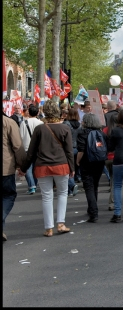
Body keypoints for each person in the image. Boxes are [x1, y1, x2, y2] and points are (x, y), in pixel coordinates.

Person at [26, 101, 74, 237]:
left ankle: (48, 228)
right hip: (61, 165)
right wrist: (72, 168)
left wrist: (23, 168)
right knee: (62, 193)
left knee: (46, 196)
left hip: (42, 166)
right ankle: (61, 223)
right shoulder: (65, 128)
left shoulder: (40, 129)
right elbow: (69, 151)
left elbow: (31, 152)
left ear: (45, 112)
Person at [76, 113, 107, 223]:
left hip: (87, 161)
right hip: (99, 161)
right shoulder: (101, 133)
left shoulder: (82, 133)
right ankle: (92, 208)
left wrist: (77, 161)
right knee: (95, 185)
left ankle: (93, 212)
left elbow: (81, 150)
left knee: (88, 186)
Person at [3, 112, 29, 241]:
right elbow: (18, 146)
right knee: (8, 195)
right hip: (5, 167)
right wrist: (22, 166)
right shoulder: (8, 122)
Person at [19, 104, 44, 195]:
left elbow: (20, 137)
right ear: (38, 113)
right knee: (36, 167)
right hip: (38, 148)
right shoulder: (41, 123)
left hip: (26, 147)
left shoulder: (23, 123)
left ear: (28, 113)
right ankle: (35, 184)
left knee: (28, 168)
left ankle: (31, 186)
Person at [104, 99, 119, 211]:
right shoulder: (120, 130)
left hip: (107, 157)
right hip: (118, 157)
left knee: (113, 179)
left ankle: (113, 200)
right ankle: (113, 202)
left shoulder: (104, 130)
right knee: (116, 180)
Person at [63, 108, 82, 196]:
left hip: (68, 148)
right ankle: (71, 187)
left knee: (68, 169)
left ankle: (71, 186)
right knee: (74, 167)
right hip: (77, 148)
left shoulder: (66, 124)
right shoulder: (80, 125)